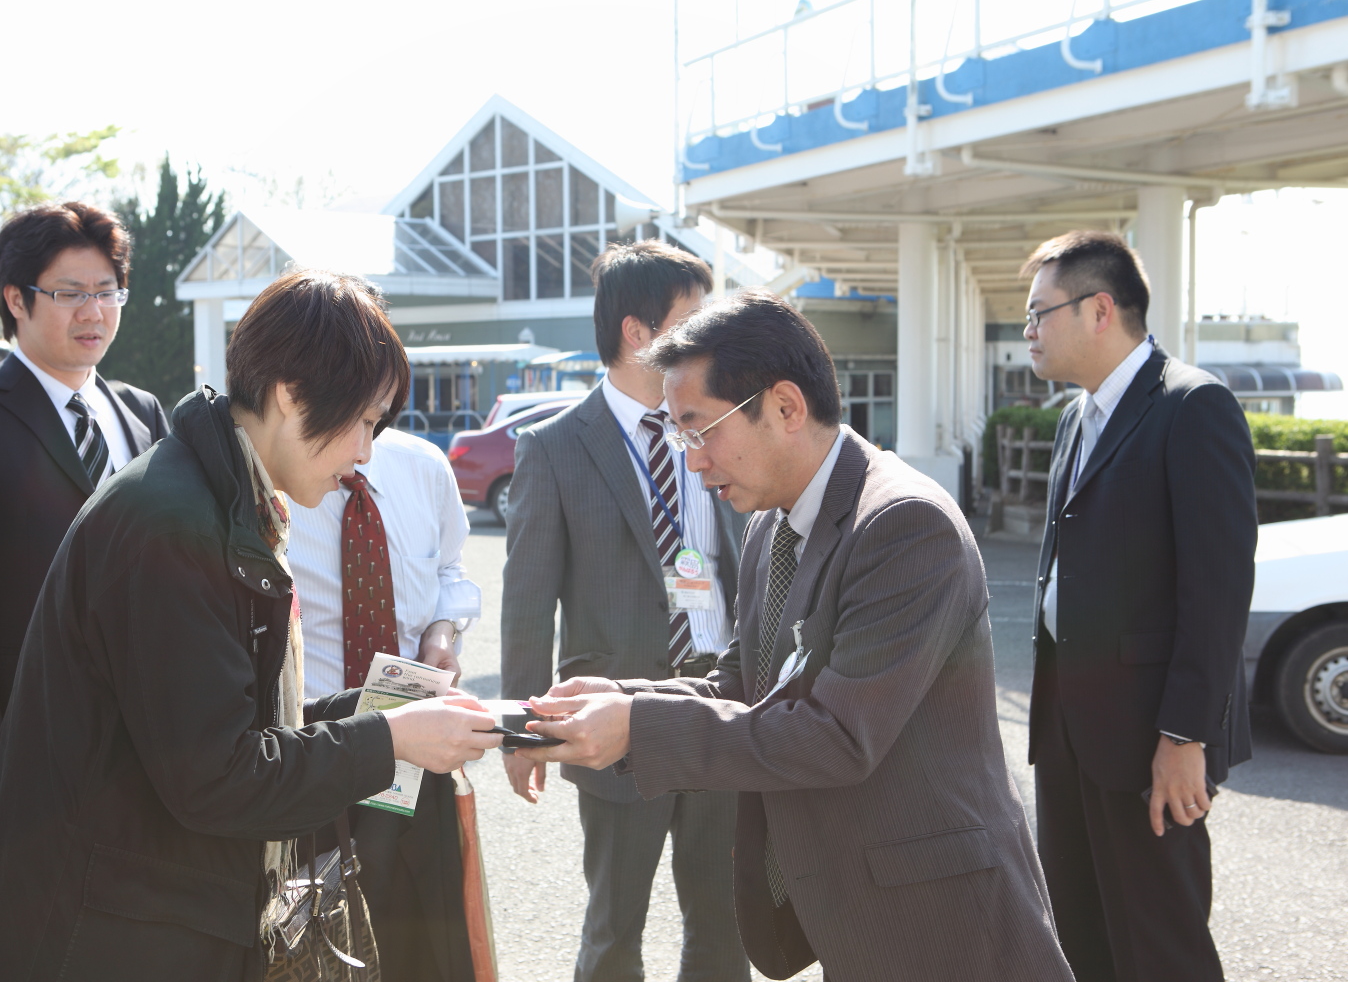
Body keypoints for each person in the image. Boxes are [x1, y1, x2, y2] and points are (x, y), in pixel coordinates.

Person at [0, 268, 503, 980]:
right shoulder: (173, 523)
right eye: (364, 421)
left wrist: (382, 713)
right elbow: (216, 776)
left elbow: (226, 722)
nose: (365, 451)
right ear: (291, 394)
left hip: (133, 913)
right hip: (101, 935)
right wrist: (392, 739)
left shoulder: (215, 496)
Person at [523, 290, 1074, 982]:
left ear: (785, 407)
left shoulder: (905, 524)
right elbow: (742, 684)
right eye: (680, 437)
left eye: (699, 430)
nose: (692, 461)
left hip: (942, 919)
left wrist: (636, 726)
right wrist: (621, 697)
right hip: (858, 907)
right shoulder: (770, 522)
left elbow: (837, 735)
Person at [501, 240, 751, 982]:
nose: (709, 338)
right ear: (638, 333)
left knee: (724, 924)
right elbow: (527, 600)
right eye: (691, 322)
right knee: (614, 930)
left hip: (720, 710)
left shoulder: (717, 429)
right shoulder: (553, 448)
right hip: (613, 724)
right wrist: (520, 729)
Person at [1019, 231, 1255, 982]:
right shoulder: (1075, 417)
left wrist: (1185, 735)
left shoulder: (1193, 405)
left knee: (1160, 946)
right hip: (1067, 727)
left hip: (1151, 738)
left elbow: (1217, 592)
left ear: (1099, 310)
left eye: (1038, 313)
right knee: (1079, 935)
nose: (1028, 331)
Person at [0, 201, 170, 837]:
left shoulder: (143, 413)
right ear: (16, 299)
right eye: (70, 293)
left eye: (107, 291)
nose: (93, 312)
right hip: (29, 748)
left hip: (150, 747)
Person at [286, 421, 481, 982]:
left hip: (417, 755)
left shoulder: (423, 464)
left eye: (381, 413)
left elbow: (449, 568)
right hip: (314, 752)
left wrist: (441, 634)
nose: (365, 444)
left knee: (421, 946)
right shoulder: (276, 472)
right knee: (317, 944)